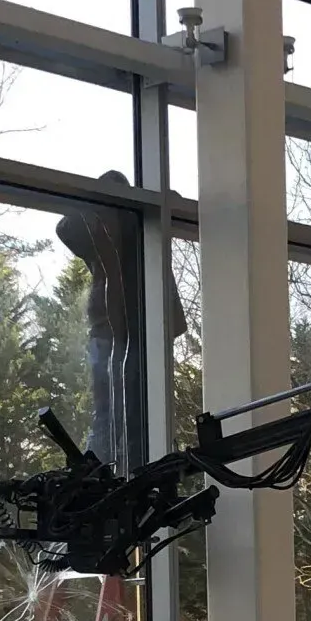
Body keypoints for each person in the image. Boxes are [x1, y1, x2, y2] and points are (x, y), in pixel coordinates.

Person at [56, 170, 185, 468]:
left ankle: (121, 474)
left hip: (132, 331)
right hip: (116, 333)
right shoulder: (100, 233)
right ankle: (106, 475)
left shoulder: (135, 236)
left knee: (130, 415)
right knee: (115, 416)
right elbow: (65, 227)